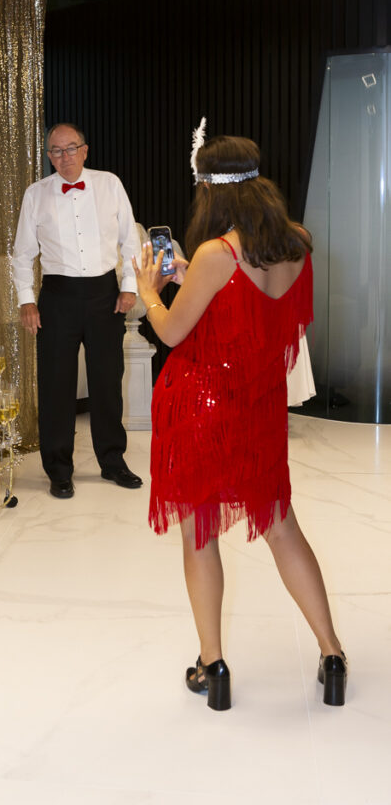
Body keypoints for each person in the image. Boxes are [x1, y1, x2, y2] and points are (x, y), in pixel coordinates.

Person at [133, 131, 346, 710]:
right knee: (282, 526)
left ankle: (214, 665)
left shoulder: (214, 254)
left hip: (202, 406)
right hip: (259, 410)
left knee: (199, 534)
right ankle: (331, 654)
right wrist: (187, 282)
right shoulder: (297, 243)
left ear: (208, 189)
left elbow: (173, 331)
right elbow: (262, 316)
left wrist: (151, 290)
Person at [12, 123, 142, 498]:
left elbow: (130, 241)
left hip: (105, 294)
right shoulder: (35, 194)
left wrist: (129, 287)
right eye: (56, 151)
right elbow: (22, 254)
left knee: (107, 382)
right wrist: (26, 299)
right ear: (48, 155)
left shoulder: (109, 184)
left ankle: (113, 462)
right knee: (56, 385)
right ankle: (58, 469)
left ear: (85, 150)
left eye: (71, 149)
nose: (64, 157)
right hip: (57, 296)